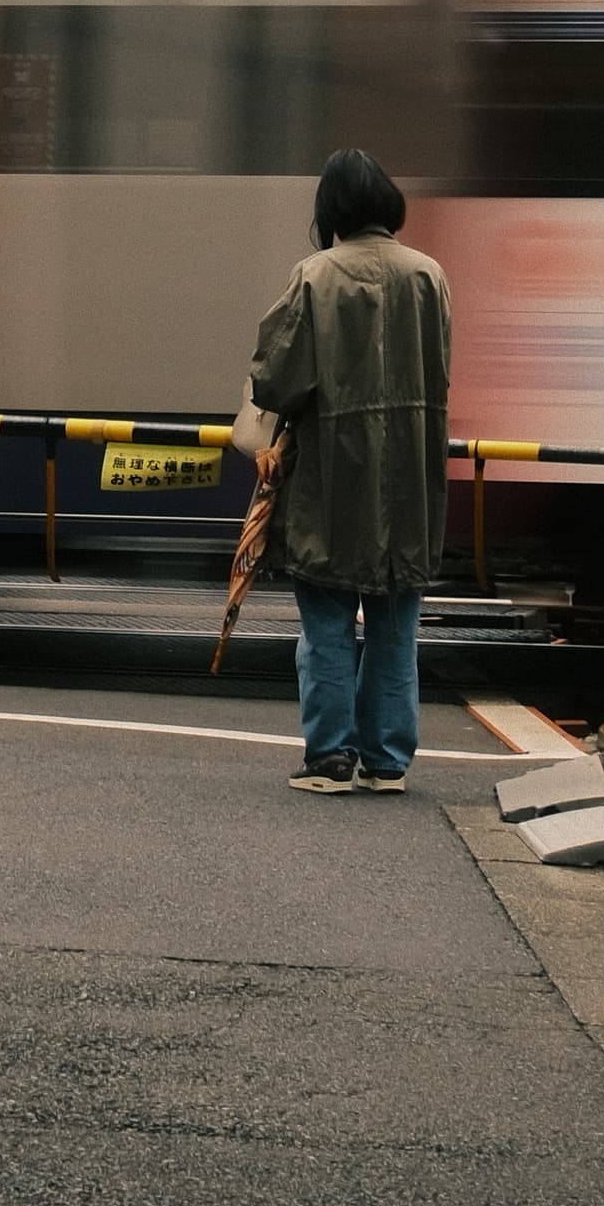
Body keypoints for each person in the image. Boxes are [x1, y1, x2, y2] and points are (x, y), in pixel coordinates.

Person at [246, 149, 451, 794]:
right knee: (395, 629)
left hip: (331, 480)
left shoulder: (314, 277)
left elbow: (276, 381)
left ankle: (331, 755)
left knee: (327, 624)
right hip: (411, 479)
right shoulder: (429, 277)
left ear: (330, 210)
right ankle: (387, 760)